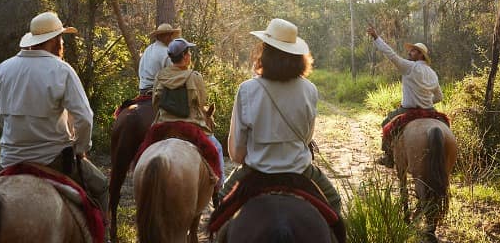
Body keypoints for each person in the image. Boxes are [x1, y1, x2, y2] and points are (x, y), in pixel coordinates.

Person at [0, 11, 108, 216]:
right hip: (53, 158)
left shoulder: (1, 70)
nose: (63, 43)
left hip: (10, 158)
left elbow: (1, 117)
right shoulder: (62, 70)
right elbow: (85, 118)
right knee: (101, 186)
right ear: (54, 41)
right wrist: (80, 149)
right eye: (61, 38)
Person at [218, 18, 342, 215]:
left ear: (265, 52)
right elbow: (307, 138)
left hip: (256, 171)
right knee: (334, 202)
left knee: (221, 200)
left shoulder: (247, 89)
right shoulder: (309, 89)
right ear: (297, 56)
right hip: (299, 170)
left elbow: (237, 153)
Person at [152, 37, 225, 190]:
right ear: (185, 56)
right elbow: (201, 102)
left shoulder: (160, 76)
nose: (190, 55)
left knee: (144, 150)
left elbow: (155, 103)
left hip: (164, 125)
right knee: (217, 148)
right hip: (190, 126)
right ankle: (219, 187)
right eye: (189, 53)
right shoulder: (194, 76)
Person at [366, 25, 443, 167]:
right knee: (445, 127)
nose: (410, 52)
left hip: (408, 110)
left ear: (421, 55)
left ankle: (388, 158)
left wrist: (376, 38)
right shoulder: (433, 73)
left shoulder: (409, 67)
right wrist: (426, 102)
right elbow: (439, 97)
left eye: (413, 51)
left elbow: (391, 54)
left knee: (385, 124)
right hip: (430, 111)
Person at [138, 23, 181, 94]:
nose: (171, 38)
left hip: (142, 89)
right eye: (167, 35)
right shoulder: (166, 53)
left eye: (171, 35)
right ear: (160, 36)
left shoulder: (148, 49)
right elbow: (174, 76)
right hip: (157, 91)